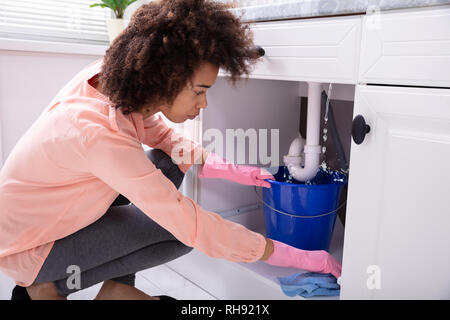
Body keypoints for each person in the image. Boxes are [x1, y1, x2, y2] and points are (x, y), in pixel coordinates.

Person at [1, 0, 341, 300]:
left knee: (169, 162)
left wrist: (241, 173)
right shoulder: (97, 132)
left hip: (63, 213)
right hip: (30, 246)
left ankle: (117, 288)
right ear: (165, 77)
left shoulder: (114, 82)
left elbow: (165, 137)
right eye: (199, 90)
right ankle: (41, 287)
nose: (204, 102)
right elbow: (188, 222)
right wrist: (300, 257)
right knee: (181, 229)